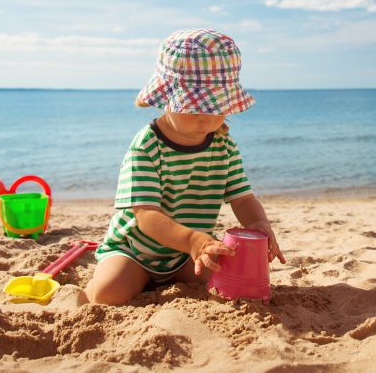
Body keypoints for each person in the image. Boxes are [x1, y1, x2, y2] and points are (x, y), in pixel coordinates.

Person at [85, 28, 285, 305]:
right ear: (166, 98)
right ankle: (86, 293)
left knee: (231, 283)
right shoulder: (146, 146)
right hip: (135, 251)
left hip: (186, 254)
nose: (206, 118)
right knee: (108, 293)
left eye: (217, 107)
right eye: (195, 107)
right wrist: (193, 240)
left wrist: (259, 224)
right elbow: (147, 216)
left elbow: (242, 197)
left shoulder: (224, 146)